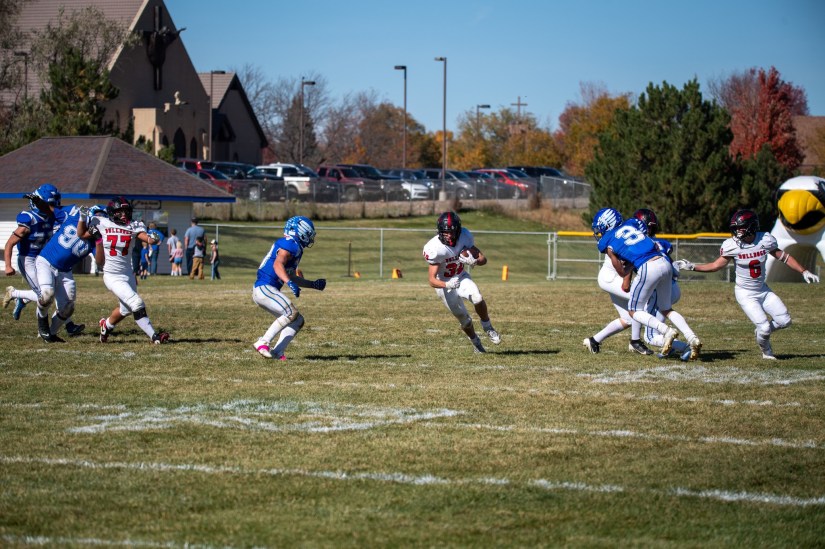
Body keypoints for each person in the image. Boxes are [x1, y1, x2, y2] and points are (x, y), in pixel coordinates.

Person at [674, 209, 819, 360]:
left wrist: (804, 271)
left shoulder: (765, 240)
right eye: (736, 228)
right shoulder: (732, 245)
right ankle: (767, 353)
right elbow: (716, 266)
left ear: (751, 226)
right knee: (764, 327)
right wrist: (692, 266)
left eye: (741, 227)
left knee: (785, 321)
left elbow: (785, 257)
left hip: (762, 289)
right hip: (745, 293)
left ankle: (761, 333)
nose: (737, 231)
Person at [592, 207, 701, 360]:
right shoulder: (633, 225)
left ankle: (662, 332)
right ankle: (691, 338)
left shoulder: (609, 241)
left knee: (634, 311)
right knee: (664, 309)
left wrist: (622, 261)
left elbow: (623, 273)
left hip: (646, 268)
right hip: (663, 266)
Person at [88, 196, 169, 344]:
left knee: (125, 310)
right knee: (136, 303)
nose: (124, 215)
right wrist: (83, 221)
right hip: (112, 275)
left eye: (126, 211)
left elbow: (149, 239)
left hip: (127, 273)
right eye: (120, 211)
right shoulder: (102, 222)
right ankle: (155, 337)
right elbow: (83, 233)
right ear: (112, 212)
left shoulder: (133, 226)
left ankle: (106, 326)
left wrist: (155, 237)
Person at [2, 184, 81, 336]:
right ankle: (17, 296)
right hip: (28, 260)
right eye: (49, 203)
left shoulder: (53, 217)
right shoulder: (29, 219)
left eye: (54, 204)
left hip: (45, 259)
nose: (52, 207)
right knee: (44, 295)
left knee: (53, 292)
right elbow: (9, 243)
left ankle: (20, 298)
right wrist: (8, 265)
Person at [422, 211, 501, 353]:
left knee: (477, 297)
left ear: (458, 230)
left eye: (451, 232)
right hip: (444, 285)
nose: (449, 235)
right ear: (439, 231)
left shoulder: (465, 236)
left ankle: (487, 326)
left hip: (461, 276)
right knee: (465, 320)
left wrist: (475, 261)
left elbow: (483, 259)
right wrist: (447, 284)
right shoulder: (434, 248)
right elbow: (432, 280)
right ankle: (476, 343)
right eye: (445, 232)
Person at [252, 215, 326, 359]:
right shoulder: (290, 244)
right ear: (300, 231)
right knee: (291, 312)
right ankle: (263, 342)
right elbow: (277, 264)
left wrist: (312, 284)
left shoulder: (295, 248)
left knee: (297, 320)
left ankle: (277, 352)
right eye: (308, 234)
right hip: (265, 287)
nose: (310, 238)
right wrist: (288, 282)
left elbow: (290, 275)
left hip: (266, 290)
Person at [33, 203, 97, 342]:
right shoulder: (72, 216)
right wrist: (38, 201)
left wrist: (100, 241)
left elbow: (100, 261)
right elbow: (49, 209)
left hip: (65, 272)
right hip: (46, 262)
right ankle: (42, 322)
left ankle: (50, 334)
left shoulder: (95, 241)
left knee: (68, 308)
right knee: (47, 295)